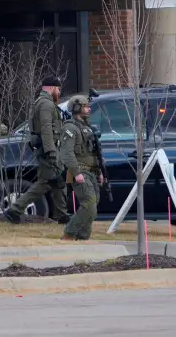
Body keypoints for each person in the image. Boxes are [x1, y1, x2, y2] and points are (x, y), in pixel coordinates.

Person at [3, 76, 68, 224]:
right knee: (45, 182)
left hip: (47, 148)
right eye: (58, 89)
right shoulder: (46, 104)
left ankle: (62, 215)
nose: (59, 92)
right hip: (48, 150)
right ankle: (15, 209)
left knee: (58, 181)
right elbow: (46, 129)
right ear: (51, 88)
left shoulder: (43, 102)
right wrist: (51, 151)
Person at [60, 94, 102, 241]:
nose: (88, 109)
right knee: (89, 203)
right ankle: (69, 234)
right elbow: (66, 153)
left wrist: (99, 171)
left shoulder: (87, 127)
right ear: (77, 107)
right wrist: (76, 172)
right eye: (85, 106)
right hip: (79, 171)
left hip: (91, 172)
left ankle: (83, 236)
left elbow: (94, 152)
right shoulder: (70, 128)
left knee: (93, 206)